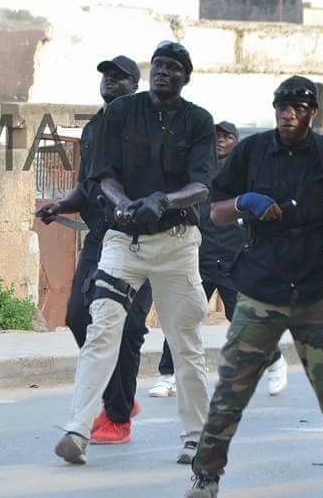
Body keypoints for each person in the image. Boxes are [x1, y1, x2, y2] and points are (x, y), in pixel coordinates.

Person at [186, 45, 323, 498]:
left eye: (298, 108)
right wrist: (243, 202)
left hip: (318, 287)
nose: (287, 114)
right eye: (282, 106)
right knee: (232, 391)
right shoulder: (252, 151)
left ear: (312, 115)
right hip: (262, 287)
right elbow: (215, 211)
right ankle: (206, 477)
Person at [54, 41, 215, 466]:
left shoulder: (199, 121)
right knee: (100, 329)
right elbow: (102, 176)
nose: (163, 72)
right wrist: (124, 204)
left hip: (178, 245)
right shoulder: (121, 114)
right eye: (158, 65)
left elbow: (202, 185)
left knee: (186, 343)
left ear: (185, 77)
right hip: (123, 242)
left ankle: (197, 438)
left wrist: (163, 201)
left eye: (173, 67)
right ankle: (77, 429)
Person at [36, 55, 151, 445]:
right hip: (100, 237)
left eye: (119, 78)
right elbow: (88, 185)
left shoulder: (148, 127)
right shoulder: (95, 128)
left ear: (134, 85)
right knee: (77, 317)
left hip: (141, 240)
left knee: (130, 325)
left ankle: (118, 415)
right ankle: (119, 395)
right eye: (106, 76)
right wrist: (60, 205)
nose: (110, 82)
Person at [149, 121, 290, 399]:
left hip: (235, 258)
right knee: (181, 316)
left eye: (227, 137)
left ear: (236, 142)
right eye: (216, 136)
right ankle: (168, 375)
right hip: (199, 256)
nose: (220, 141)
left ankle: (275, 362)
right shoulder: (198, 171)